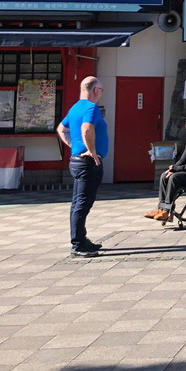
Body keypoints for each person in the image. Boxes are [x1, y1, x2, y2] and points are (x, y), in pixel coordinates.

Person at [57, 76, 108, 257]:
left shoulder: (75, 108)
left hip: (77, 161)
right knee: (83, 204)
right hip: (87, 163)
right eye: (101, 90)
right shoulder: (90, 108)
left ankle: (81, 239)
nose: (101, 93)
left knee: (77, 202)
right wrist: (91, 151)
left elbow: (61, 129)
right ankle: (78, 244)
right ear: (94, 90)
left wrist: (73, 145)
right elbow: (87, 129)